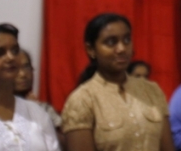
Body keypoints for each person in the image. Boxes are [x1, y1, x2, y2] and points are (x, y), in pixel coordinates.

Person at [61, 13, 173, 151]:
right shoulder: (82, 100)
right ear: (91, 50)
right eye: (111, 42)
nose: (122, 48)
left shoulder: (151, 90)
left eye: (126, 40)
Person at [14, 49, 65, 145]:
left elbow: (64, 144)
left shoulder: (44, 109)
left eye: (27, 67)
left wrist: (35, 112)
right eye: (15, 68)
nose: (23, 74)